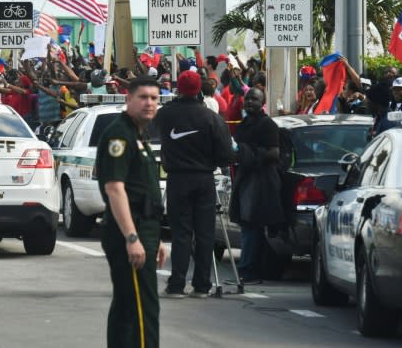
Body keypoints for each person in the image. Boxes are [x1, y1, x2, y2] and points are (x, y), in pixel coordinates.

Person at [96, 76, 168, 348]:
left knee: (128, 307)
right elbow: (115, 189)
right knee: (142, 309)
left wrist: (156, 238)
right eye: (143, 97)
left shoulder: (138, 134)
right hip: (130, 230)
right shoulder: (121, 135)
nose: (149, 103)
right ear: (128, 99)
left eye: (154, 98)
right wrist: (132, 238)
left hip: (143, 227)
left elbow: (143, 192)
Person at [155, 70, 232, 298]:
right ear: (200, 88)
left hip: (178, 179)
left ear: (178, 88)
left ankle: (177, 284)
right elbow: (226, 154)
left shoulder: (165, 114)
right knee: (205, 233)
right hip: (204, 179)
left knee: (181, 233)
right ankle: (201, 285)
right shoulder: (211, 118)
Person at [227, 88, 285, 285]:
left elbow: (274, 153)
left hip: (261, 180)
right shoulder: (245, 123)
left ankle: (248, 271)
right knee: (247, 224)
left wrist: (250, 155)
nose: (250, 101)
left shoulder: (267, 124)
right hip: (245, 176)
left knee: (251, 224)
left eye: (255, 99)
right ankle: (247, 269)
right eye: (248, 98)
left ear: (263, 102)